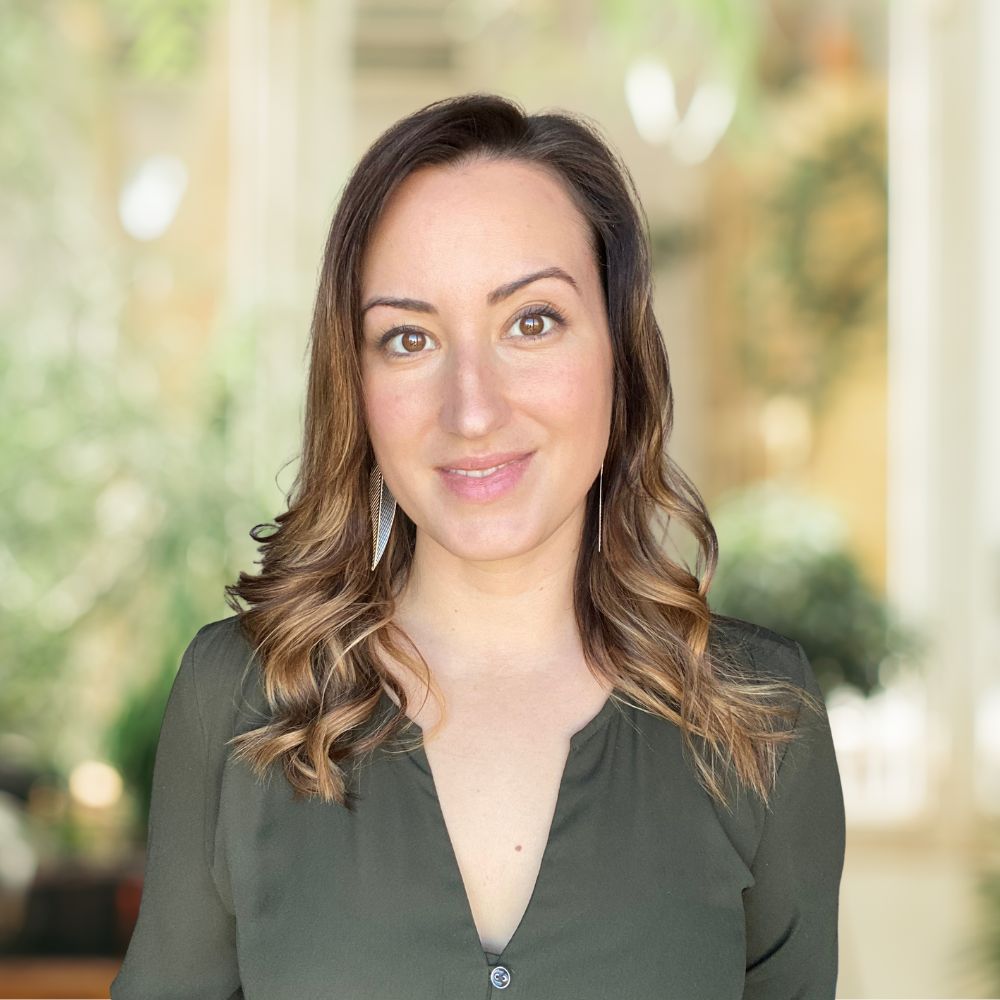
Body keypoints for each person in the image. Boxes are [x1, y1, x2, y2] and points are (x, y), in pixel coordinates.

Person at [110, 93, 845, 1000]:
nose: (472, 409)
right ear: (357, 380)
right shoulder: (242, 703)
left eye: (530, 322)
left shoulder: (759, 722)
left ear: (620, 349)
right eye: (409, 338)